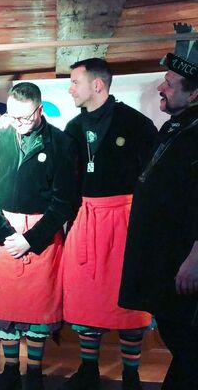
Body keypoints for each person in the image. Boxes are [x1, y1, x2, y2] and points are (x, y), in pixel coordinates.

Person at [0, 82, 77, 390]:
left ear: (40, 110)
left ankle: (33, 373)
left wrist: (31, 239)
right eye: (12, 116)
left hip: (41, 235)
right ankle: (9, 371)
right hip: (1, 232)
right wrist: (5, 234)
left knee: (37, 307)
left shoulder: (60, 142)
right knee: (4, 305)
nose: (18, 123)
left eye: (25, 117)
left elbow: (64, 201)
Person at [61, 58, 157, 390]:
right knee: (88, 297)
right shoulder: (73, 129)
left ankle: (131, 374)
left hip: (125, 222)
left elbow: (152, 181)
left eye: (75, 82)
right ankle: (89, 370)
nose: (70, 89)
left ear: (97, 85)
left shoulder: (137, 125)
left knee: (128, 300)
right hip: (86, 221)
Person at [119, 22, 198, 390]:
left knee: (188, 344)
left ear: (194, 93)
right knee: (180, 341)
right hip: (166, 260)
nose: (160, 88)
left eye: (169, 83)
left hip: (185, 264)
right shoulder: (176, 127)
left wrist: (196, 258)